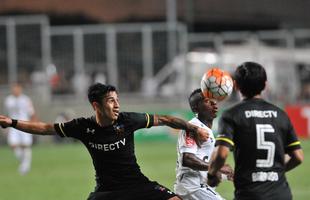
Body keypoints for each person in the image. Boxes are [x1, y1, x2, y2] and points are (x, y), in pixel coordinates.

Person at [0, 83, 210, 200]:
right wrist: (12, 122)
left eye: (117, 100)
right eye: (111, 101)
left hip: (137, 185)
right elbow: (46, 128)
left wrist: (193, 128)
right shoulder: (83, 126)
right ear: (96, 105)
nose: (117, 105)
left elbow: (165, 119)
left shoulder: (128, 120)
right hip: (107, 192)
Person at [207, 62, 304, 200]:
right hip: (281, 194)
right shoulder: (281, 115)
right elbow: (298, 157)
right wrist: (277, 172)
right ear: (265, 85)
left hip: (250, 194)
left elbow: (222, 154)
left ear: (236, 85)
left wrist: (211, 175)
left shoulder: (232, 115)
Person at [174, 88, 233, 200]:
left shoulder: (207, 130)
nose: (213, 103)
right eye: (207, 101)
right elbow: (187, 159)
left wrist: (226, 174)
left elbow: (203, 159)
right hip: (192, 187)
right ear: (196, 108)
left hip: (199, 186)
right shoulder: (193, 128)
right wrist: (218, 168)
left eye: (213, 99)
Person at [3, 83, 37, 175]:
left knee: (26, 145)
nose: (15, 90)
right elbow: (7, 114)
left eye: (17, 88)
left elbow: (32, 113)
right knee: (13, 145)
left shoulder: (26, 100)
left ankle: (26, 166)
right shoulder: (8, 100)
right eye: (14, 89)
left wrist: (34, 125)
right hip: (13, 126)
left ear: (20, 89)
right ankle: (24, 163)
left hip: (24, 124)